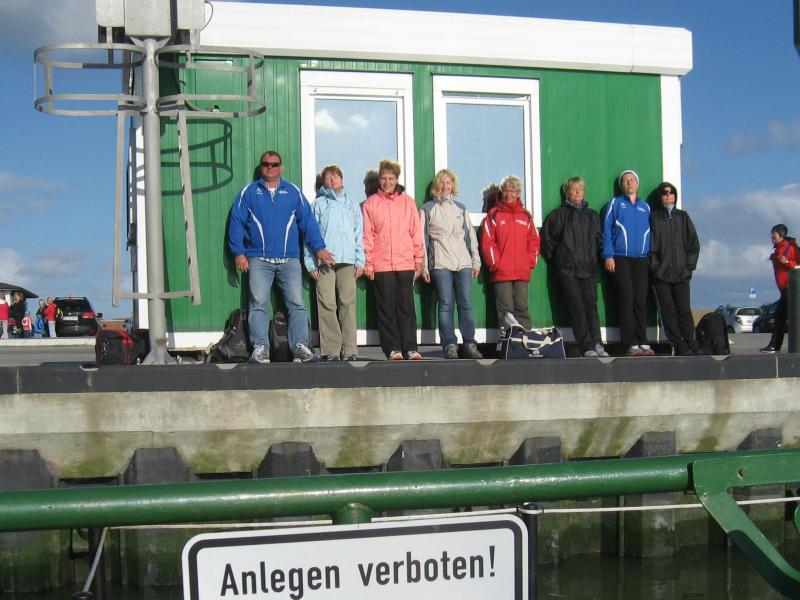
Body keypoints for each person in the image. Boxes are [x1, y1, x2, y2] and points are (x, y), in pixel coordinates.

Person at [228, 150, 335, 364]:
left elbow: (308, 222)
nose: (270, 167)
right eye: (266, 164)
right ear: (261, 167)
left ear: (281, 167)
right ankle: (260, 348)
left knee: (296, 304)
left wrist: (319, 248)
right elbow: (236, 222)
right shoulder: (249, 192)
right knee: (258, 303)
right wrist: (239, 253)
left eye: (274, 164)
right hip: (258, 259)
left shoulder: (293, 192)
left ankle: (300, 347)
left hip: (289, 259)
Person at [362, 159, 425, 360]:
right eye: (383, 178)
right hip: (381, 264)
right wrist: (368, 262)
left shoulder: (408, 202)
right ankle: (392, 348)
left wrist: (419, 258)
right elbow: (367, 235)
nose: (387, 182)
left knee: (406, 307)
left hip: (405, 262)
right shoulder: (371, 204)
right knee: (386, 308)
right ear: (379, 180)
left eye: (391, 178)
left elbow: (416, 232)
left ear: (397, 179)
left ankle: (410, 348)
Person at [540, 176, 607, 357]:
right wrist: (559, 262)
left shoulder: (592, 215)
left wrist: (594, 260)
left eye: (580, 189)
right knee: (577, 306)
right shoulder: (558, 215)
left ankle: (597, 343)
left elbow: (599, 240)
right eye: (574, 189)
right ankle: (586, 346)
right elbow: (547, 241)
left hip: (588, 269)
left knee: (591, 306)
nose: (578, 192)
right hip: (568, 271)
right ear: (567, 192)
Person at [304, 165, 365, 361]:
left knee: (347, 303)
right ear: (323, 182)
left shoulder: (351, 205)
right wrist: (311, 262)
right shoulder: (318, 204)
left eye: (336, 176)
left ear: (342, 179)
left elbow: (359, 234)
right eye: (328, 177)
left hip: (347, 260)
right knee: (327, 303)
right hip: (325, 261)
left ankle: (350, 350)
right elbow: (309, 234)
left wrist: (360, 261)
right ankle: (331, 349)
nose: (332, 179)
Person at [420, 169, 483, 359]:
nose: (445, 186)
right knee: (446, 304)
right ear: (436, 186)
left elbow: (470, 236)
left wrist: (475, 262)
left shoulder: (461, 208)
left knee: (466, 304)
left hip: (463, 262)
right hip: (441, 263)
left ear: (453, 185)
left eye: (448, 182)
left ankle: (470, 344)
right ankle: (449, 345)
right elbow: (422, 240)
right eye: (442, 182)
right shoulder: (427, 209)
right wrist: (424, 266)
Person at [602, 169, 654, 356]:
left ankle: (643, 341)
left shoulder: (645, 207)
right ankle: (630, 343)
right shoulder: (615, 204)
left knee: (641, 300)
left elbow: (652, 232)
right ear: (621, 185)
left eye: (632, 180)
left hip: (641, 258)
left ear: (637, 184)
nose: (629, 183)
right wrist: (608, 255)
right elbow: (606, 230)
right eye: (625, 181)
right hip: (620, 257)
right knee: (626, 299)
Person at [480, 175, 540, 329]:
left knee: (522, 308)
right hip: (502, 272)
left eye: (512, 191)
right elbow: (488, 242)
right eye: (506, 191)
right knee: (506, 311)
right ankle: (508, 341)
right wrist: (495, 264)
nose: (509, 194)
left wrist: (529, 262)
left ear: (519, 193)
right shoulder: (494, 215)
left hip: (522, 271)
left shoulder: (525, 216)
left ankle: (525, 340)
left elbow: (534, 241)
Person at [649, 181, 701, 356]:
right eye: (665, 193)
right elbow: (650, 246)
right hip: (661, 275)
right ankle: (678, 344)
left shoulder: (683, 217)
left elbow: (693, 244)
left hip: (681, 274)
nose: (668, 195)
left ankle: (691, 341)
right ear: (660, 197)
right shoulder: (654, 218)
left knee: (684, 309)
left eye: (671, 192)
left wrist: (688, 267)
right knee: (668, 311)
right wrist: (656, 268)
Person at [760, 224, 798, 353]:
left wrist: (786, 262)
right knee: (780, 317)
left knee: (780, 316)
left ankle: (775, 346)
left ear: (781, 235)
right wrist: (775, 260)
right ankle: (774, 346)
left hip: (791, 289)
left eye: (774, 234)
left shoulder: (791, 248)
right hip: (784, 289)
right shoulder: (778, 250)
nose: (772, 237)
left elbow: (797, 266)